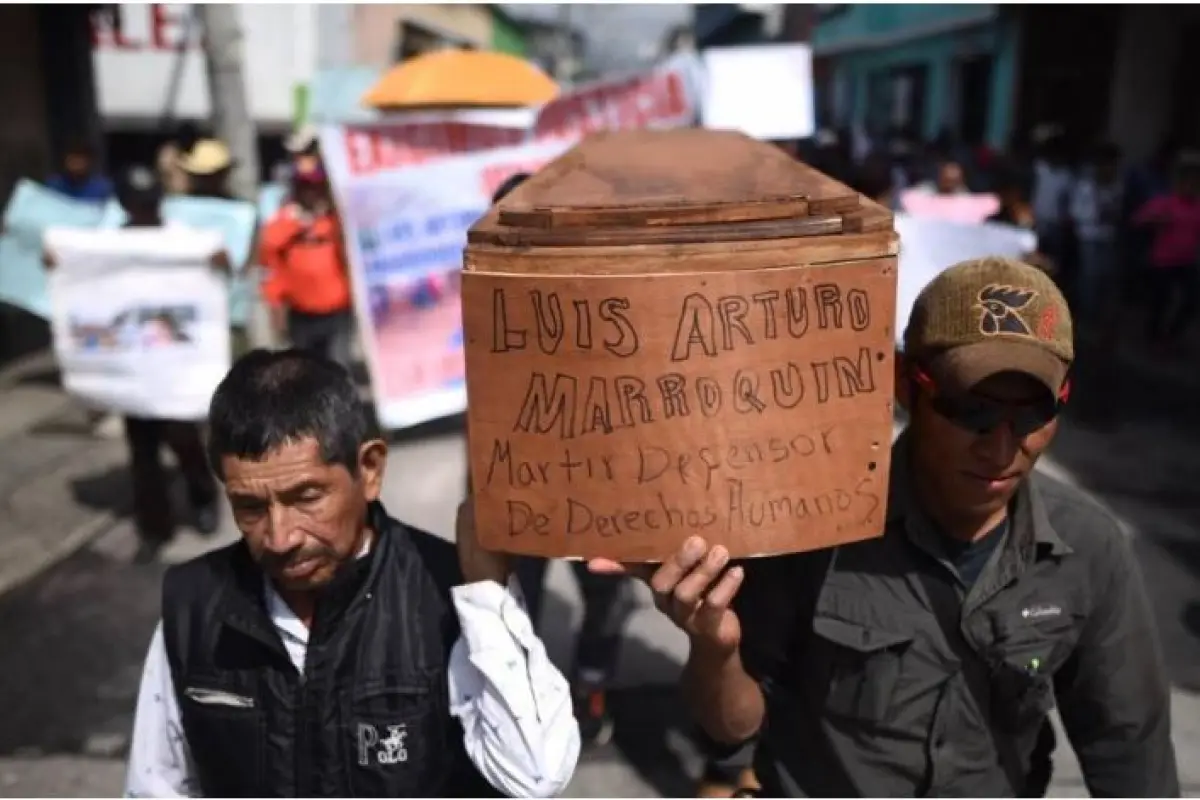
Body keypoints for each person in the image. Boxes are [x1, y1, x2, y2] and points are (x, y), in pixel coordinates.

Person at [589, 258, 1179, 797]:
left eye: (1032, 414)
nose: (1002, 447)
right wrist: (713, 649)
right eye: (971, 410)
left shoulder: (1091, 551)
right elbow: (734, 731)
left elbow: (1130, 752)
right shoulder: (815, 524)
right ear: (905, 385)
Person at [124, 348, 579, 797]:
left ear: (370, 469)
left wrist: (485, 593)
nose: (280, 537)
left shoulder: (450, 596)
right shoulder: (195, 606)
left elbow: (534, 775)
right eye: (250, 507)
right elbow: (156, 785)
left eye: (306, 497)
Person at [473, 170, 629, 747]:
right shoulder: (483, 304)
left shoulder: (606, 296)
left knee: (608, 599)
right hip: (523, 490)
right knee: (516, 607)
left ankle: (591, 690)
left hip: (604, 491)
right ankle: (527, 708)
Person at [45, 166, 223, 563]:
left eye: (148, 204)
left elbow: (216, 268)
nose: (143, 211)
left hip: (174, 368)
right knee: (142, 452)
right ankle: (154, 526)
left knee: (184, 440)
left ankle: (203, 497)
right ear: (126, 205)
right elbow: (80, 273)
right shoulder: (111, 244)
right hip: (134, 371)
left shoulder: (180, 240)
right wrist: (61, 262)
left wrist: (215, 260)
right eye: (136, 204)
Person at [259, 159, 355, 368]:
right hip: (300, 314)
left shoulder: (336, 219)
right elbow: (270, 263)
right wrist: (275, 307)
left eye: (316, 185)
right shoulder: (282, 222)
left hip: (338, 310)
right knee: (306, 373)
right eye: (305, 186)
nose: (311, 191)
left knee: (338, 369)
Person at [1132, 153, 1200, 350]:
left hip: (1186, 261)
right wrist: (1155, 220)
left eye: (1195, 182)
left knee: (1192, 299)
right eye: (1188, 181)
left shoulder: (1197, 207)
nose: (1192, 186)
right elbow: (1137, 220)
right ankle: (1153, 337)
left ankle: (1171, 334)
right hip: (1163, 261)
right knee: (1161, 301)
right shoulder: (1165, 202)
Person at [1070, 143, 1124, 327]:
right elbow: (1076, 211)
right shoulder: (1085, 186)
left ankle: (1097, 315)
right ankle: (1086, 315)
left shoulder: (1117, 186)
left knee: (1104, 277)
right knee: (1089, 277)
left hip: (1108, 236)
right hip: (1089, 236)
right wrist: (1096, 213)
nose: (1111, 169)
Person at [46, 137, 113, 203]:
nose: (76, 164)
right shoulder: (54, 185)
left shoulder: (102, 188)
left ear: (89, 162)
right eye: (73, 159)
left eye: (80, 160)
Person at [157, 121, 201, 196]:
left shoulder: (197, 151)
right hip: (172, 195)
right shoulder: (169, 151)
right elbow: (164, 169)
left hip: (193, 196)